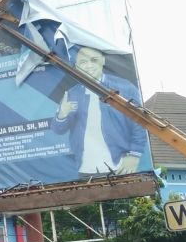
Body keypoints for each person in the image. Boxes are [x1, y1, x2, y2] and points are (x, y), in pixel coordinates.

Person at [50, 46, 146, 176]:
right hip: (85, 169)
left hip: (120, 166)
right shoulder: (72, 94)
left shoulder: (125, 88)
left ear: (103, 60)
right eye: (83, 62)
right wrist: (62, 114)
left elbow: (140, 122)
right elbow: (58, 130)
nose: (89, 65)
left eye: (94, 60)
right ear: (76, 66)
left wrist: (134, 155)